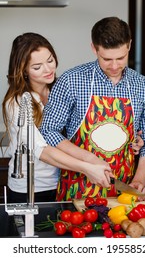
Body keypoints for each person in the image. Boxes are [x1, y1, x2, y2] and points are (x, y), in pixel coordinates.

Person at [40, 16, 145, 202]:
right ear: (94, 48)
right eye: (106, 59)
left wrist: (138, 181)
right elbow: (48, 131)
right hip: (77, 190)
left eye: (120, 58)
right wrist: (89, 161)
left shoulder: (143, 86)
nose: (114, 66)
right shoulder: (71, 80)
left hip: (124, 193)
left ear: (129, 46)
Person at [1, 32, 115, 203]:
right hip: (31, 188)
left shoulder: (61, 88)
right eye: (37, 67)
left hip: (65, 183)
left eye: (50, 60)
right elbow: (42, 151)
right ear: (23, 70)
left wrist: (133, 139)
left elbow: (84, 126)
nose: (48, 69)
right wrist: (87, 168)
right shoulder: (16, 103)